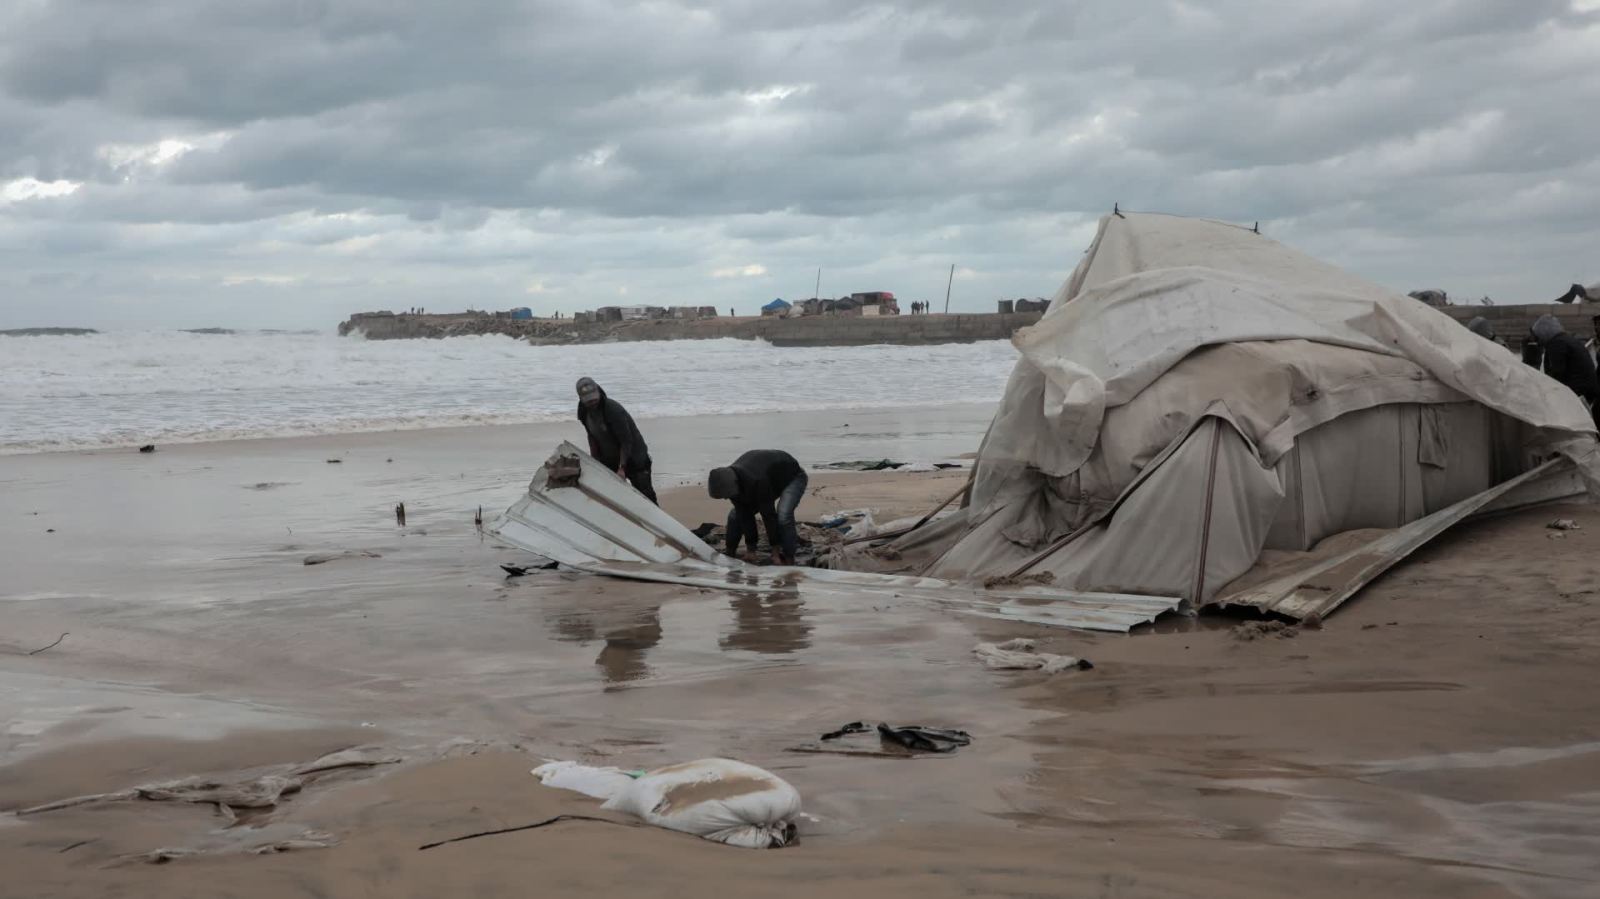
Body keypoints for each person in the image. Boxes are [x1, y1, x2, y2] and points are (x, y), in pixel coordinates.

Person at [707, 450, 808, 565]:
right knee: (735, 516)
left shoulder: (758, 481)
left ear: (735, 485)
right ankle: (730, 553)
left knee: (783, 515)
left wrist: (775, 552)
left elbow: (768, 516)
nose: (726, 498)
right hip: (770, 478)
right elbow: (744, 515)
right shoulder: (728, 480)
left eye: (725, 495)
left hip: (793, 477)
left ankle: (789, 557)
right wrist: (751, 550)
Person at [575, 377, 657, 503]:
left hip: (635, 457)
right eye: (588, 400)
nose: (592, 402)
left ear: (598, 391)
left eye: (594, 398)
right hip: (610, 458)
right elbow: (592, 435)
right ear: (581, 398)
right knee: (615, 499)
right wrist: (595, 461)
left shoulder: (613, 410)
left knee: (646, 499)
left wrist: (622, 468)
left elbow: (626, 441)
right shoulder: (583, 412)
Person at [1527, 314, 1599, 426]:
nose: (1537, 341)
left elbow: (1557, 375)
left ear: (1544, 333)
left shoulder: (1557, 343)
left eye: (1538, 337)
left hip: (1579, 392)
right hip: (1588, 390)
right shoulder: (1566, 339)